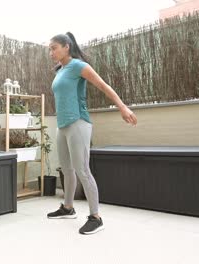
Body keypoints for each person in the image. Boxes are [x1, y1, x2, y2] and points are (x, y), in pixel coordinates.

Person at [46, 32, 137, 235]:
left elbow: (103, 85)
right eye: (49, 49)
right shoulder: (60, 70)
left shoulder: (78, 66)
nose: (50, 52)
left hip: (78, 123)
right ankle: (68, 208)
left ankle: (96, 217)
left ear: (66, 46)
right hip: (62, 126)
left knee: (82, 170)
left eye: (53, 47)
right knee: (67, 170)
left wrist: (123, 107)